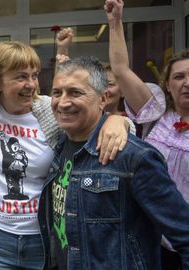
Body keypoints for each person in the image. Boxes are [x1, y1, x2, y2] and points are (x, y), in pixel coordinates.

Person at [0, 41, 129, 270]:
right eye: (21, 77)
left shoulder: (50, 109)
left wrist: (116, 119)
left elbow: (109, 123)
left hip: (42, 238)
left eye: (34, 75)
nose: (31, 85)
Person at [39, 55, 189, 270]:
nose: (62, 102)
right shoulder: (60, 146)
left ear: (103, 98)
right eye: (56, 93)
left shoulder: (134, 158)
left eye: (75, 92)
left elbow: (184, 234)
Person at [105, 0, 189, 268]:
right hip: (148, 237)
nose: (187, 83)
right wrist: (115, 22)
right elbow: (120, 70)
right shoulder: (156, 114)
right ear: (167, 83)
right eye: (179, 77)